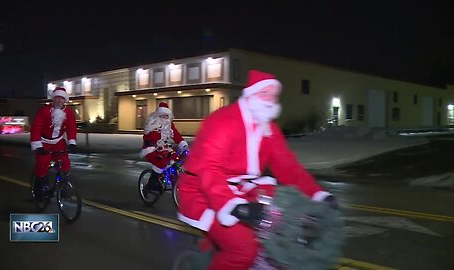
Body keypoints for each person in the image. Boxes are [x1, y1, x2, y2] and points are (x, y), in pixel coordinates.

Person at [177, 70, 339, 270]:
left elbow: (288, 167)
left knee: (284, 231)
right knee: (243, 251)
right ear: (250, 94)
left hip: (244, 190)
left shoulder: (269, 129)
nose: (270, 99)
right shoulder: (223, 121)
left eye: (274, 95)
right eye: (264, 93)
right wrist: (234, 205)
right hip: (203, 192)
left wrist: (318, 195)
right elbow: (209, 169)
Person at [30, 86, 77, 196]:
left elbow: (71, 128)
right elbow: (36, 128)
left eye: (62, 98)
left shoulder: (68, 113)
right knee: (42, 163)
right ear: (53, 99)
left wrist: (72, 142)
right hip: (43, 141)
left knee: (64, 162)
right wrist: (38, 146)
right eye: (57, 98)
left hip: (58, 142)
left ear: (65, 100)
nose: (59, 100)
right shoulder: (44, 111)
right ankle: (39, 186)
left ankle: (63, 183)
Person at [140, 102, 189, 192]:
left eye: (167, 116)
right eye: (163, 115)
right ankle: (152, 184)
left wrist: (183, 145)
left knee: (176, 158)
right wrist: (158, 143)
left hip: (163, 147)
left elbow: (176, 135)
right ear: (159, 115)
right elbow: (150, 138)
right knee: (161, 161)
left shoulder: (169, 125)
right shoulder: (153, 124)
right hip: (151, 148)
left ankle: (173, 178)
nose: (165, 118)